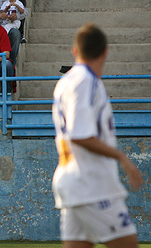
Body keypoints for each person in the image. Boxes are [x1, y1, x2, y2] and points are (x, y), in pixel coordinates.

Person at [52, 23, 143, 248]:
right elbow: (79, 135)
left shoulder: (65, 83)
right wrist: (122, 158)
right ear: (105, 52)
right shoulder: (87, 81)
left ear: (75, 51)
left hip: (70, 181)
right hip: (91, 183)